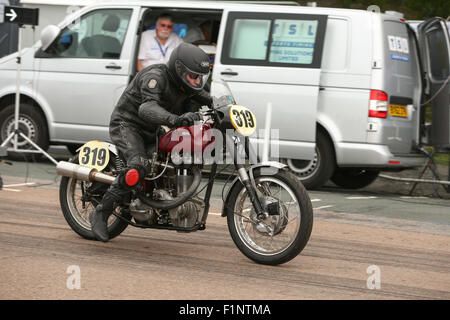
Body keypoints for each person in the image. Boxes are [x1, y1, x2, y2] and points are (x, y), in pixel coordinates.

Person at [89, 43, 212, 242]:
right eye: (194, 76)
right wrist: (175, 120)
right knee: (139, 166)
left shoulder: (186, 84)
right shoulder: (155, 77)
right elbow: (146, 108)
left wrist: (227, 109)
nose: (197, 81)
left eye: (200, 77)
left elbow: (208, 97)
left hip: (152, 129)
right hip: (128, 125)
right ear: (179, 69)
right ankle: (101, 212)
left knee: (171, 162)